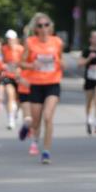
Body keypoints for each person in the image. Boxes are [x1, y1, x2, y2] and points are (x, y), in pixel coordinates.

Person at [20, 12, 63, 164]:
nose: (43, 28)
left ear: (50, 27)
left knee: (48, 116)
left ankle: (46, 152)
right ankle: (31, 133)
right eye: (40, 26)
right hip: (36, 84)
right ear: (36, 29)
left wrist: (60, 65)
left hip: (52, 83)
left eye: (46, 25)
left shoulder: (57, 42)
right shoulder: (30, 42)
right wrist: (32, 65)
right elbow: (22, 62)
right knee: (36, 120)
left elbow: (61, 60)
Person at [78, 29, 96, 135]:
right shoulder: (86, 51)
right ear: (90, 39)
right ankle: (88, 120)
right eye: (94, 37)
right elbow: (80, 63)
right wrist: (89, 59)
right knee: (89, 102)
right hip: (89, 78)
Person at [1, 29, 23, 130]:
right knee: (10, 96)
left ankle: (17, 111)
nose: (9, 41)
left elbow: (24, 63)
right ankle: (10, 120)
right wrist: (4, 66)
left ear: (15, 39)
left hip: (19, 77)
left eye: (11, 39)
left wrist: (18, 68)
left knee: (18, 99)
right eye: (8, 39)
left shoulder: (21, 49)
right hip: (8, 76)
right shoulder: (4, 49)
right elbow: (1, 61)